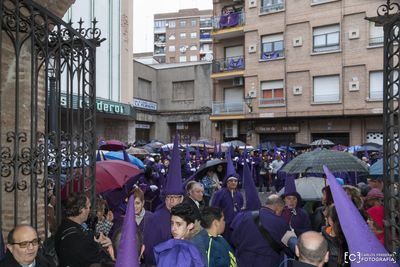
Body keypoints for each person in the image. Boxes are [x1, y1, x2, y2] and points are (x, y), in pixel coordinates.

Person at [231, 194, 292, 267]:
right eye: (281, 211)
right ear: (278, 207)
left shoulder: (243, 216)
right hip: (267, 262)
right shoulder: (281, 223)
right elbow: (289, 246)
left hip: (243, 260)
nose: (280, 214)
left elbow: (234, 239)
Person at [55, 193, 113, 267]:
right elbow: (99, 261)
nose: (90, 210)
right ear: (81, 210)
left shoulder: (64, 226)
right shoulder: (77, 238)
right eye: (89, 207)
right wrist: (107, 249)